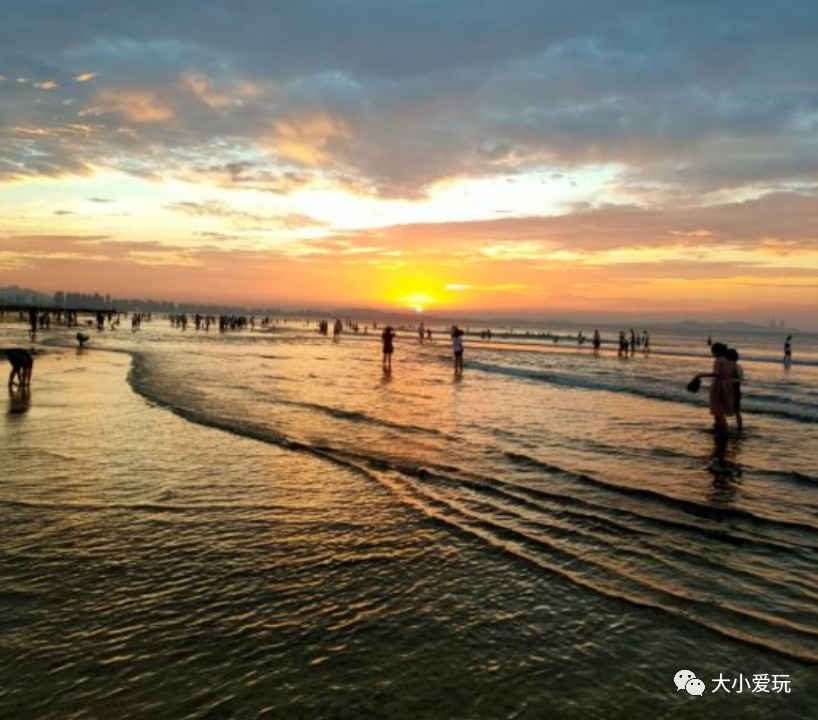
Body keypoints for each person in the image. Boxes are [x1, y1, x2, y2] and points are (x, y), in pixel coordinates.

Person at [691, 342, 735, 437]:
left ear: (716, 351)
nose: (712, 353)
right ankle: (723, 431)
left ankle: (723, 433)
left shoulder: (718, 361)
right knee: (721, 411)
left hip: (718, 386)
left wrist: (699, 375)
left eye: (713, 351)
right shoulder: (729, 361)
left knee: (717, 411)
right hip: (727, 386)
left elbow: (716, 374)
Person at [726, 348, 744, 432]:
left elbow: (740, 379)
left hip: (734, 389)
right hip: (734, 389)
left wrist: (729, 380)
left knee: (736, 410)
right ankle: (739, 427)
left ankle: (739, 428)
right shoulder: (736, 366)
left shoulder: (735, 367)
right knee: (736, 410)